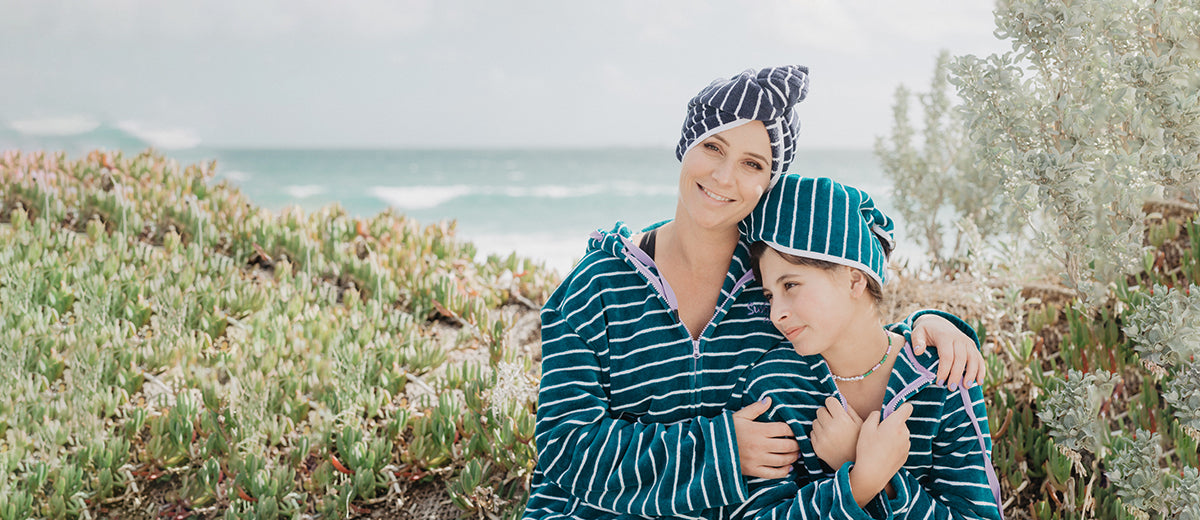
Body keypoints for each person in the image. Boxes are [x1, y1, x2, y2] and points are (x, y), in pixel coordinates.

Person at [523, 66, 986, 520]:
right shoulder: (597, 285)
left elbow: (849, 330)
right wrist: (721, 452)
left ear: (769, 181)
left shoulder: (768, 285)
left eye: (752, 164)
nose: (725, 176)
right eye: (712, 146)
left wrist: (928, 329)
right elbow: (563, 449)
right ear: (685, 147)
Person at [729, 175, 1002, 519]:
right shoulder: (773, 385)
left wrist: (878, 477)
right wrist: (857, 483)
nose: (777, 313)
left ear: (855, 280)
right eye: (769, 295)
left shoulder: (944, 376)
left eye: (792, 284)